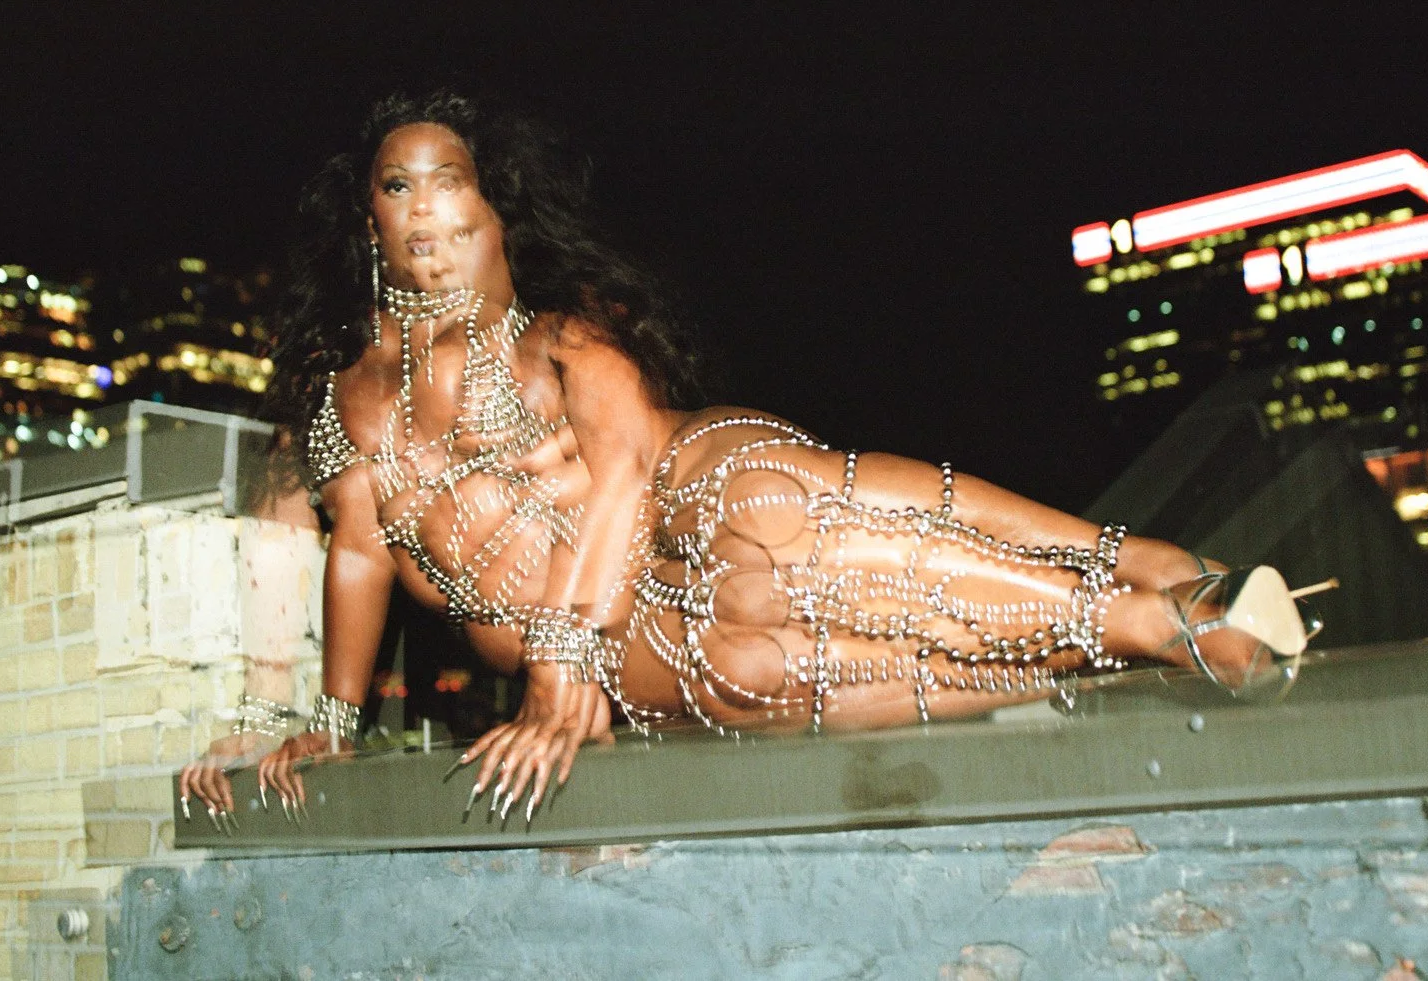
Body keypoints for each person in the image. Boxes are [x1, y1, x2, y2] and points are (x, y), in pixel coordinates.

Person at [181, 92, 1329, 827]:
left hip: (669, 504)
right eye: (400, 185)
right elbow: (359, 551)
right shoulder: (346, 402)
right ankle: (1141, 630)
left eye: (451, 181)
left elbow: (625, 472)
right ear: (369, 219)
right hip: (611, 630)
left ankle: (1148, 576)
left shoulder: (560, 338)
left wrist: (558, 670)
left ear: (495, 210)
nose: (427, 207)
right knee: (746, 664)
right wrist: (321, 721)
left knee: (770, 525)